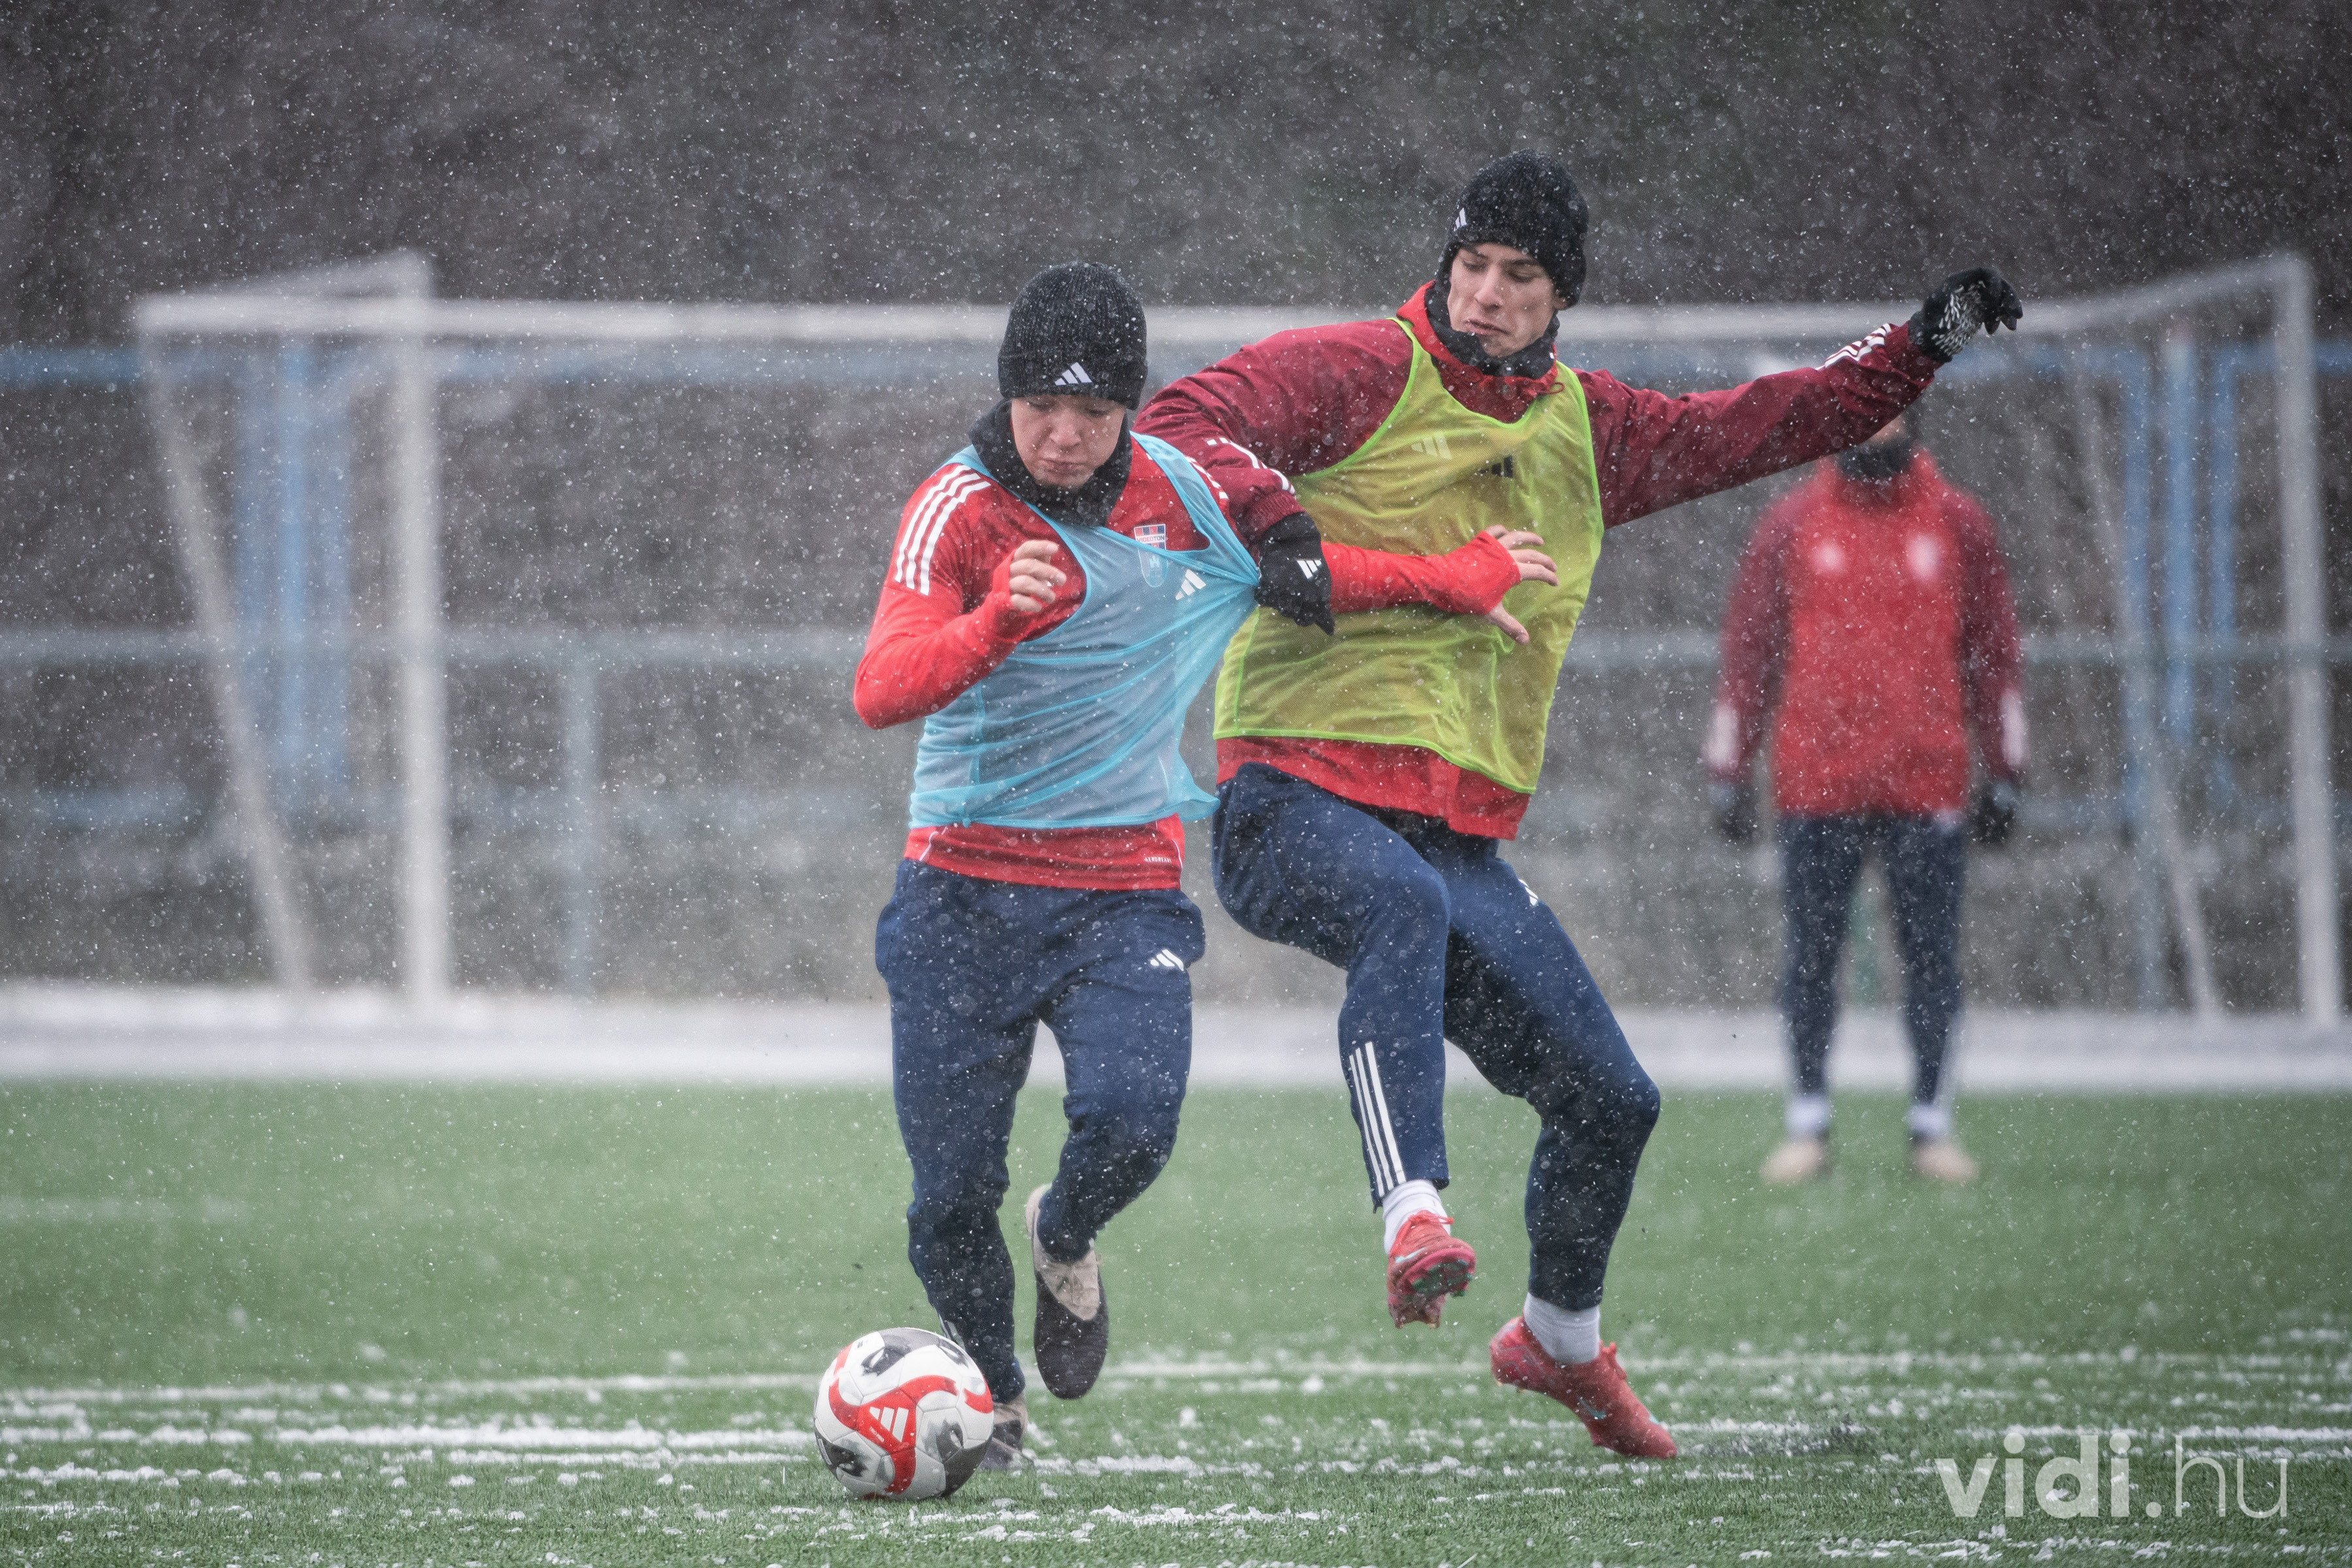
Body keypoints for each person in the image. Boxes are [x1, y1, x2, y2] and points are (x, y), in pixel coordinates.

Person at [1137, 150, 2021, 1459]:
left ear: (1563, 298)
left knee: (1614, 1100)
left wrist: (1922, 345)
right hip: (1289, 796)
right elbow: (1173, 426)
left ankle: (1558, 1340)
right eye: (1471, 264)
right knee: (1397, 904)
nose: (1486, 294)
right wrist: (1288, 533)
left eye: (1519, 275)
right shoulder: (1363, 370)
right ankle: (1412, 1211)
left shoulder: (1591, 432)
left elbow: (1775, 420)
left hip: (1456, 837)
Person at [856, 261, 1556, 1470]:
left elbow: (1315, 575)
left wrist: (1451, 582)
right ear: (1007, 395)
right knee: (948, 1195)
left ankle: (1065, 1234)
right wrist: (994, 623)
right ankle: (996, 1402)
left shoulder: (1179, 491)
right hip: (960, 887)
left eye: (1093, 411)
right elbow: (881, 688)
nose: (1064, 435)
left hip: (1122, 887)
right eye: (1041, 406)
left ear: (1131, 407)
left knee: (1135, 1121)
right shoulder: (956, 507)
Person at [1702, 406, 2025, 1186]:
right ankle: (1807, 1124)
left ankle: (1931, 1128)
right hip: (1817, 784)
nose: (1873, 432)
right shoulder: (1792, 524)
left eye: (1889, 417)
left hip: (1927, 781)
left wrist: (2006, 769)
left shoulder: (1958, 523)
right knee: (1811, 958)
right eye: (1859, 416)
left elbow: (1994, 652)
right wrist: (1728, 768)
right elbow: (1749, 653)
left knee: (1931, 959)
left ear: (1914, 422)